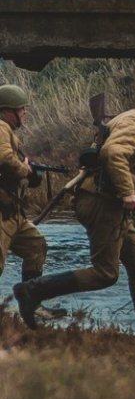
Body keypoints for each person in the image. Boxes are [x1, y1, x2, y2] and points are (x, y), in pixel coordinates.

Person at [15, 83, 135, 338]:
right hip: (103, 203)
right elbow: (113, 153)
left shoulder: (133, 119)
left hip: (105, 203)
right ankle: (33, 290)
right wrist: (128, 191)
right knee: (105, 273)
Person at [0, 85, 48, 302]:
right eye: (21, 109)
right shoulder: (1, 126)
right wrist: (24, 169)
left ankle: (31, 305)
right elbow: (4, 158)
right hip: (3, 210)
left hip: (12, 211)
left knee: (35, 246)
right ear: (8, 111)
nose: (24, 113)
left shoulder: (7, 131)